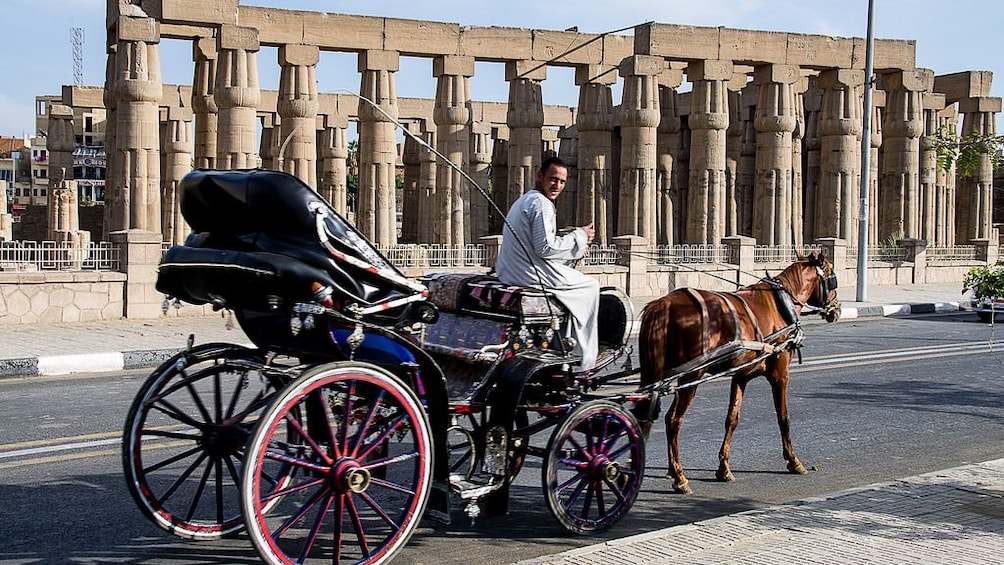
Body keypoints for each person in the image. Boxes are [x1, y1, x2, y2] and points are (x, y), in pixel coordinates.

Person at [495, 156, 600, 372]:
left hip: (513, 271)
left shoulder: (525, 200)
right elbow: (545, 248)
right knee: (590, 287)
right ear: (539, 176)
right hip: (529, 274)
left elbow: (539, 248)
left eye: (562, 182)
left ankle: (566, 343)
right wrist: (579, 236)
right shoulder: (541, 204)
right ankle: (582, 359)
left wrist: (575, 246)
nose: (557, 186)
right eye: (553, 179)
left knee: (574, 286)